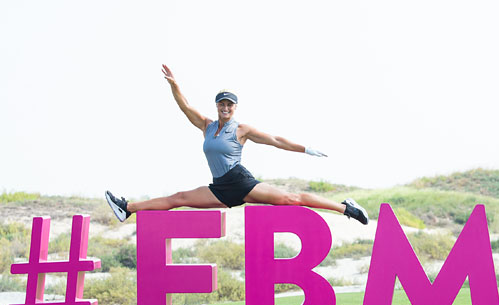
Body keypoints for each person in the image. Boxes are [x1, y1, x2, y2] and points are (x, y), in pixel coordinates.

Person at [105, 65, 368, 225]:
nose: (226, 108)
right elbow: (184, 106)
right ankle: (127, 209)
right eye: (222, 104)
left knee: (291, 199)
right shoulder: (206, 125)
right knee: (179, 198)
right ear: (217, 106)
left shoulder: (242, 130)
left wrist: (306, 149)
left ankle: (348, 208)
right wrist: (175, 85)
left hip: (240, 181)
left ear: (235, 107)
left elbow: (275, 140)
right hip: (221, 188)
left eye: (230, 104)